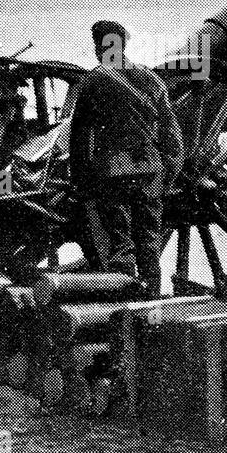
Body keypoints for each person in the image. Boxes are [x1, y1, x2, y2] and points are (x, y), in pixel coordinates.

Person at [68, 20, 184, 296]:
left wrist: (81, 182)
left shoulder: (94, 81)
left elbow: (80, 138)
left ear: (99, 47)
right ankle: (151, 302)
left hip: (114, 173)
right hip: (151, 171)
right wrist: (167, 175)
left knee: (121, 243)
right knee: (149, 242)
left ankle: (123, 304)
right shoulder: (152, 80)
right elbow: (173, 137)